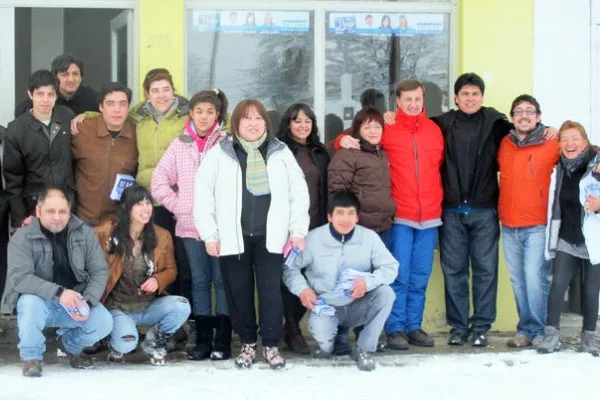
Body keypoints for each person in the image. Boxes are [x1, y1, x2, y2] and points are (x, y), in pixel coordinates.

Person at [194, 99, 309, 370]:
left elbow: (298, 192)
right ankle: (247, 343)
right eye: (247, 118)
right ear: (237, 123)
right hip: (233, 237)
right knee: (239, 292)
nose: (253, 124)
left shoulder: (280, 152)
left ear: (265, 123)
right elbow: (203, 195)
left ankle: (270, 344)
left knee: (271, 292)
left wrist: (298, 231)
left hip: (272, 237)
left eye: (258, 119)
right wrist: (210, 234)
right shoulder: (221, 153)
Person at [335, 80, 443, 350]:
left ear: (423, 99)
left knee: (420, 277)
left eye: (417, 99)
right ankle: (395, 328)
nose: (413, 104)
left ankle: (414, 326)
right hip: (400, 216)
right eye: (407, 99)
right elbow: (355, 135)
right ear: (397, 101)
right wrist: (339, 139)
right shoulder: (387, 127)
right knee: (399, 275)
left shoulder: (434, 130)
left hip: (430, 216)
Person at [152, 89, 230, 361]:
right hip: (189, 227)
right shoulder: (180, 144)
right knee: (198, 281)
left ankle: (222, 339)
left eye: (210, 111)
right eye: (199, 111)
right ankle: (203, 340)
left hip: (221, 228)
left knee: (221, 281)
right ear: (191, 114)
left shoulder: (226, 143)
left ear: (217, 114)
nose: (205, 117)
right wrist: (180, 206)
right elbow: (159, 181)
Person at [0, 188, 112, 377]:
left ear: (69, 212)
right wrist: (60, 292)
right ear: (38, 211)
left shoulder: (84, 233)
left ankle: (68, 345)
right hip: (39, 302)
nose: (57, 217)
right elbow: (20, 278)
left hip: (74, 299)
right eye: (51, 211)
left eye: (62, 211)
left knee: (104, 322)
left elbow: (99, 271)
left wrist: (88, 300)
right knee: (28, 302)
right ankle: (32, 358)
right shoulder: (22, 237)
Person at [283, 190, 398, 371]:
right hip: (326, 305)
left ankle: (364, 349)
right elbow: (290, 268)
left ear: (357, 217)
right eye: (340, 213)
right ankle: (328, 344)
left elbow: (391, 267)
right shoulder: (313, 238)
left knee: (386, 294)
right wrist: (303, 289)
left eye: (351, 213)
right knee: (326, 348)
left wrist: (367, 283)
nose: (346, 219)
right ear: (330, 216)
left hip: (357, 303)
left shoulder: (369, 238)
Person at [94, 185, 190, 365]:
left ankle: (154, 343)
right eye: (139, 204)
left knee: (182, 307)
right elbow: (81, 239)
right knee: (126, 344)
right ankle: (116, 342)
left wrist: (157, 280)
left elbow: (171, 270)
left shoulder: (161, 235)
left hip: (149, 305)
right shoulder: (107, 232)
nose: (145, 208)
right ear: (126, 208)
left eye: (148, 203)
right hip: (119, 307)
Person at [497, 95, 559, 348]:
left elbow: (586, 149)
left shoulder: (552, 141)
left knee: (535, 278)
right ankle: (525, 330)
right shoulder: (504, 143)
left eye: (529, 111)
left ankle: (541, 330)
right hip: (509, 223)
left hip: (537, 223)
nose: (524, 115)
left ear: (539, 116)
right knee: (518, 280)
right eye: (519, 111)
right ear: (512, 117)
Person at [537, 121, 600, 356]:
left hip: (593, 238)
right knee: (558, 284)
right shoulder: (560, 168)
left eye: (575, 138)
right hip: (567, 236)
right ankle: (551, 337)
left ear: (585, 141)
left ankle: (588, 340)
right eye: (564, 139)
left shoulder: (597, 164)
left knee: (591, 290)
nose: (570, 143)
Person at [276, 103, 329, 354]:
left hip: (316, 225)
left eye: (307, 121)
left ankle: (292, 327)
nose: (303, 125)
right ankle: (293, 330)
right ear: (288, 124)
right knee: (289, 279)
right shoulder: (279, 152)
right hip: (288, 228)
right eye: (297, 120)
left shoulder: (320, 152)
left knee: (310, 278)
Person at [4, 70, 75, 229]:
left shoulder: (66, 117)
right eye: (40, 94)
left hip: (66, 206)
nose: (45, 100)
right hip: (34, 208)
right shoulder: (16, 130)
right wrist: (19, 218)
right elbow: (13, 180)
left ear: (57, 96)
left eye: (50, 94)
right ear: (30, 94)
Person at [72, 82, 138, 226]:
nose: (117, 110)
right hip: (81, 219)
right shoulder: (82, 130)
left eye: (122, 104)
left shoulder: (137, 135)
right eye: (110, 104)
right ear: (101, 107)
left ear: (128, 108)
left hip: (117, 222)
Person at [328, 106, 396, 240]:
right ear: (358, 130)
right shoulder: (348, 154)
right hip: (358, 228)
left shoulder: (382, 153)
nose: (373, 131)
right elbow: (337, 192)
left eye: (377, 127)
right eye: (367, 127)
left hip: (384, 226)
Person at [15, 53, 100, 117]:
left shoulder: (92, 98)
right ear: (55, 77)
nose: (71, 79)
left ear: (81, 77)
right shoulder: (46, 97)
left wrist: (86, 116)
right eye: (65, 74)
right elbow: (19, 114)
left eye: (75, 74)